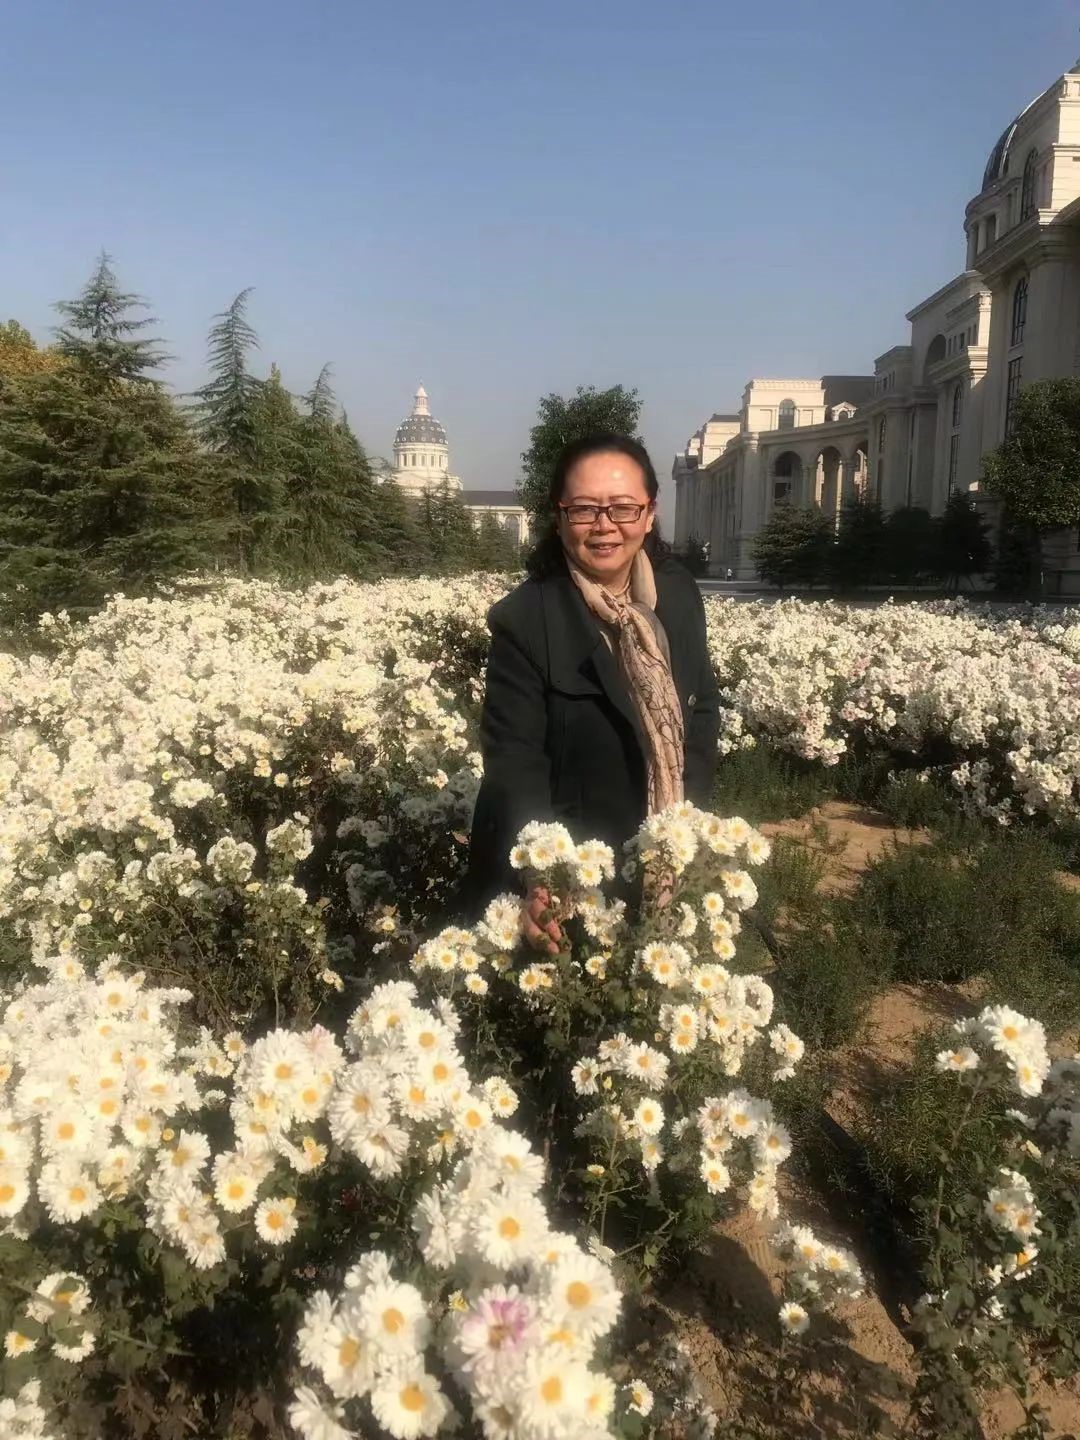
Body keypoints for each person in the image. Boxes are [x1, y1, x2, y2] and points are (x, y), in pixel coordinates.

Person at [465, 433, 719, 949]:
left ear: (649, 514)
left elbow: (702, 711)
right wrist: (544, 876)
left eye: (623, 508)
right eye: (583, 509)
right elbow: (515, 761)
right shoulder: (525, 619)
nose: (605, 525)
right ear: (559, 518)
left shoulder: (677, 594)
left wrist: (682, 832)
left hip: (666, 858)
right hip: (575, 878)